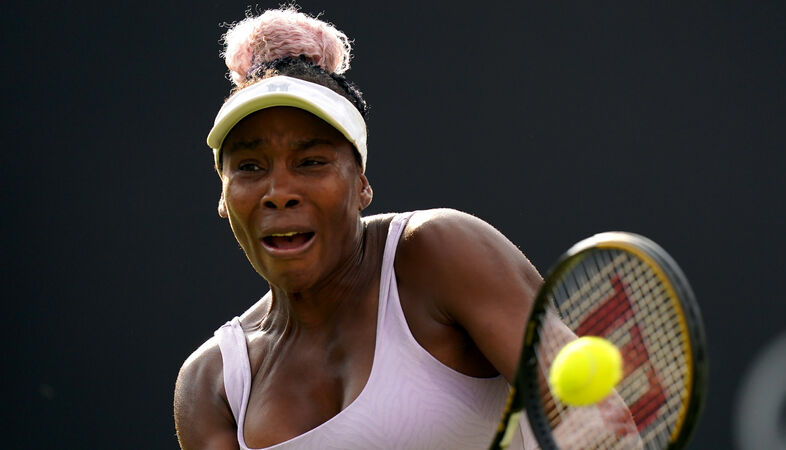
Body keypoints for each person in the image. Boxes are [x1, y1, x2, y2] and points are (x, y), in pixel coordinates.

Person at [173, 7, 638, 449]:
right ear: (223, 196)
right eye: (250, 167)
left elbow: (595, 419)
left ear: (361, 185)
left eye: (311, 162)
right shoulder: (212, 388)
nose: (279, 192)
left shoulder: (441, 253)